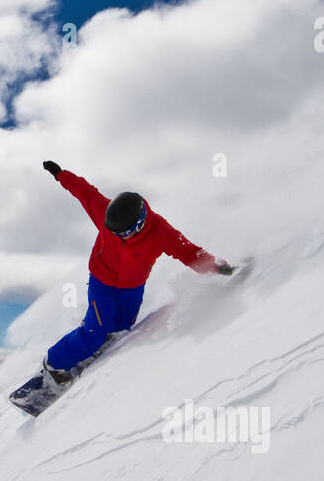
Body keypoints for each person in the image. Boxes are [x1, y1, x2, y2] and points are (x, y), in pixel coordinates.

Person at [40, 160, 234, 386]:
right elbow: (84, 191)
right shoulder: (104, 212)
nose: (120, 238)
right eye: (115, 233)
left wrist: (219, 268)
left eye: (124, 233)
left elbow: (190, 253)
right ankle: (55, 363)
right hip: (101, 281)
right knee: (95, 331)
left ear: (139, 225)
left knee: (122, 325)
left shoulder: (161, 231)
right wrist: (61, 174)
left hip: (132, 287)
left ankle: (99, 340)